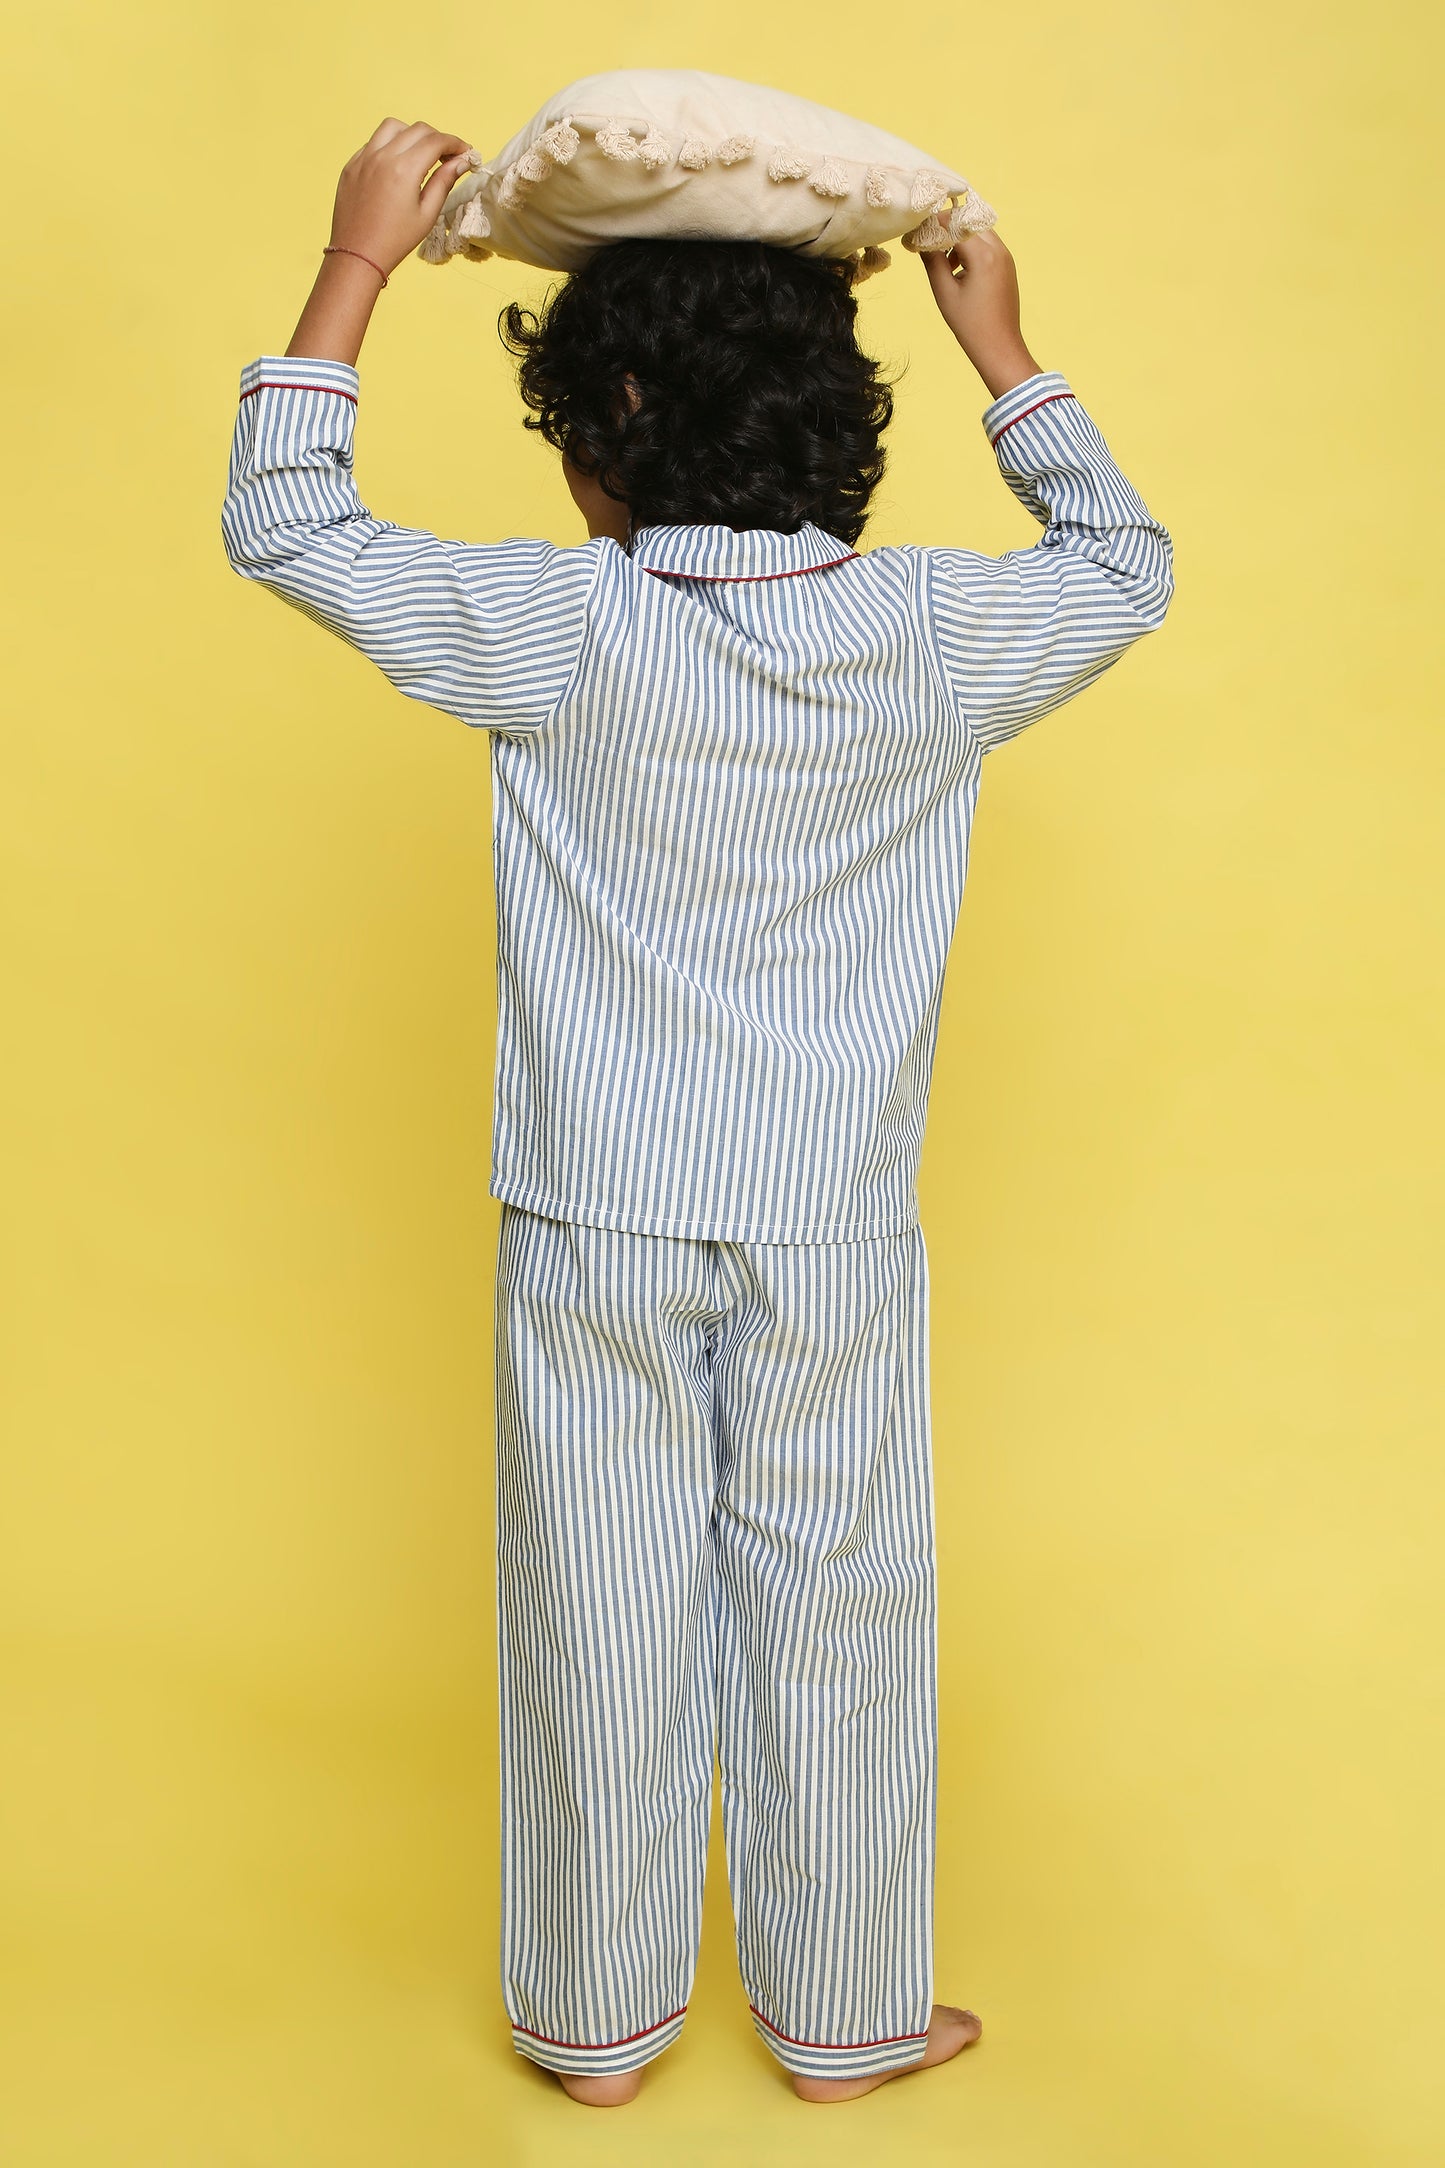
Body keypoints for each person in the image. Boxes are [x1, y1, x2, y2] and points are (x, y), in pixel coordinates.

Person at [220, 117, 1175, 2111]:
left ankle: (592, 2027)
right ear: (844, 424)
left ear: (605, 427)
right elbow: (1126, 565)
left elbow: (284, 524)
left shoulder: (565, 629)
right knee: (840, 1603)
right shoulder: (929, 636)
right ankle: (842, 2021)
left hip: (594, 1218)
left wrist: (359, 263)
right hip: (828, 1225)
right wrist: (1012, 351)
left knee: (600, 1609)